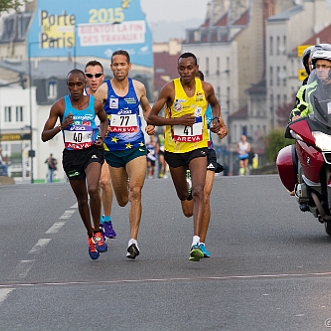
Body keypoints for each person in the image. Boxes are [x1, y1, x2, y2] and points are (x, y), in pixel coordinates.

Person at [147, 52, 228, 261]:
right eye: (182, 68)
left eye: (189, 68)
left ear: (196, 68)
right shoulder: (170, 89)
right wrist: (177, 121)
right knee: (185, 196)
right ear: (178, 69)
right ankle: (187, 189)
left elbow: (215, 104)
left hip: (198, 146)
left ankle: (196, 242)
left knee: (201, 192)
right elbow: (151, 116)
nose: (185, 72)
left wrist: (217, 119)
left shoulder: (206, 88)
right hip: (174, 150)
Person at [41, 69, 108, 260]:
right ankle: (90, 235)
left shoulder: (95, 104)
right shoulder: (60, 106)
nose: (76, 88)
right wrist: (62, 126)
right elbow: (44, 136)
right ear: (67, 85)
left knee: (94, 189)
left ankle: (97, 231)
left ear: (85, 85)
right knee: (82, 200)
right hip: (71, 156)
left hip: (91, 152)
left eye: (79, 84)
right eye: (72, 84)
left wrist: (102, 137)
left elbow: (104, 121)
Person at [94, 50, 155, 259]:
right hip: (113, 151)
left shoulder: (138, 88)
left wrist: (150, 123)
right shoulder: (103, 91)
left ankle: (133, 241)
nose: (119, 68)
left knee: (135, 192)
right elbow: (92, 116)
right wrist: (102, 129)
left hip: (136, 147)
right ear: (111, 67)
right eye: (115, 64)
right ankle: (123, 217)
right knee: (122, 199)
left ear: (129, 66)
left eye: (123, 64)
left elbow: (147, 109)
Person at [180, 69, 225, 258]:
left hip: (206, 152)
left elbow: (222, 127)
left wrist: (220, 129)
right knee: (188, 209)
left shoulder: (208, 105)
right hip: (182, 154)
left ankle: (200, 242)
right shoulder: (178, 104)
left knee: (204, 195)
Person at [85, 60, 116, 239]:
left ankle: (107, 219)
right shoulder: (79, 96)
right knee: (93, 187)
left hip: (106, 144)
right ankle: (97, 225)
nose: (94, 79)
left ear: (103, 77)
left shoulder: (110, 94)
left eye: (97, 75)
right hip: (86, 147)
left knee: (105, 182)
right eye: (90, 75)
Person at [289, 45, 316, 122]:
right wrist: (295, 117)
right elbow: (301, 107)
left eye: (323, 65)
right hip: (316, 129)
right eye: (310, 63)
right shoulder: (305, 89)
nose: (313, 66)